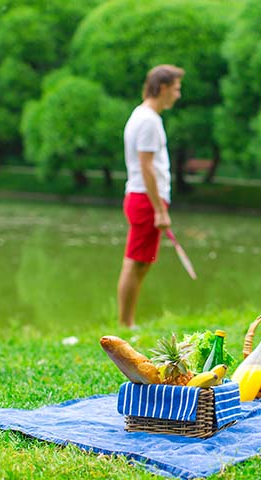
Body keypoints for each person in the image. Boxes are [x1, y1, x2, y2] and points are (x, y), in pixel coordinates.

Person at [117, 64, 184, 328]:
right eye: (176, 89)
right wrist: (159, 209)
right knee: (135, 262)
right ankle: (126, 323)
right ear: (164, 87)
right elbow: (146, 166)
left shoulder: (144, 117)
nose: (178, 95)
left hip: (145, 198)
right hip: (145, 199)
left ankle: (128, 321)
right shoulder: (148, 121)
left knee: (141, 263)